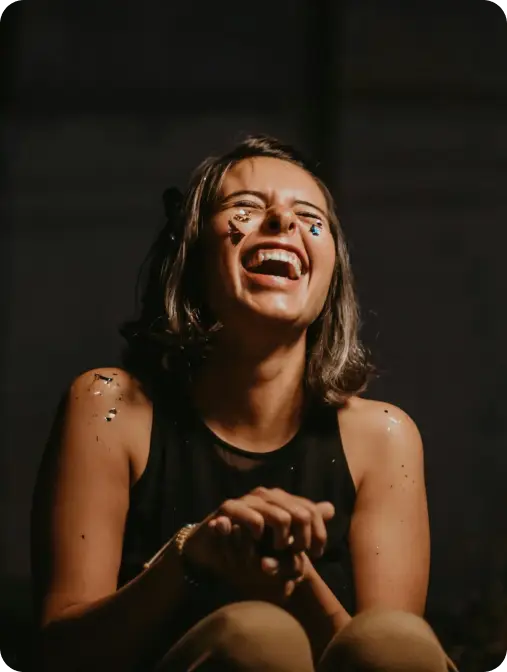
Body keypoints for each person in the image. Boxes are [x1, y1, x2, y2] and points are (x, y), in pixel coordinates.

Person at [30, 135, 456, 672]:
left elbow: (385, 657)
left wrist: (293, 578)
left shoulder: (384, 437)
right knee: (256, 636)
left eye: (310, 217)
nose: (284, 222)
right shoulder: (110, 407)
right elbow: (56, 653)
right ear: (191, 253)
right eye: (246, 208)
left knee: (394, 638)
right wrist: (191, 555)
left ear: (330, 273)